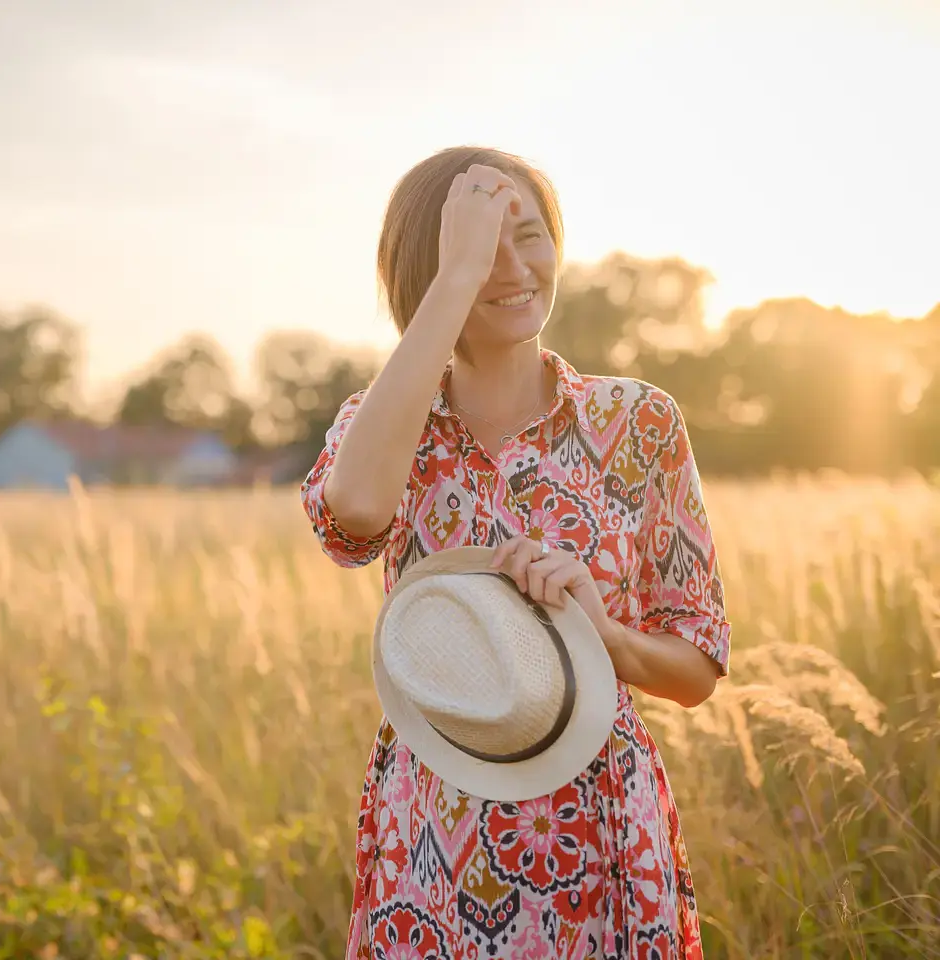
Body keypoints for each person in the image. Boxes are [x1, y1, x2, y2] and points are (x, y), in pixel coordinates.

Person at [300, 146, 731, 959]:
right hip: (434, 826)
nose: (513, 266)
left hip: (598, 824)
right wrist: (455, 276)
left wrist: (610, 639)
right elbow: (349, 520)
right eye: (477, 245)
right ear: (426, 274)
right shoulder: (387, 424)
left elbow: (698, 669)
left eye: (528, 236)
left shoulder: (637, 424)